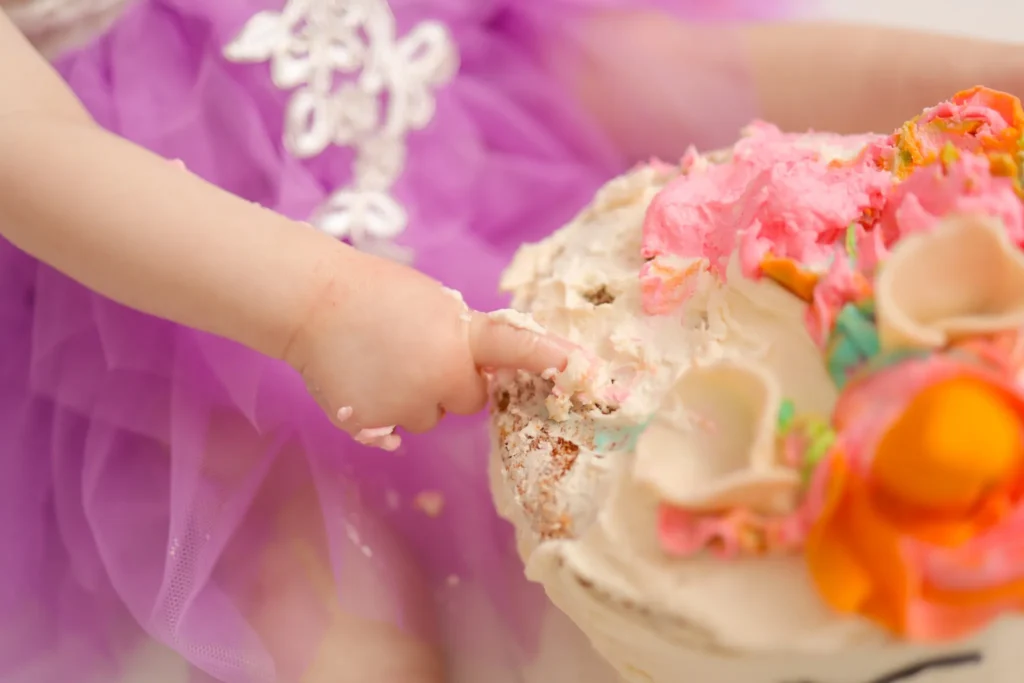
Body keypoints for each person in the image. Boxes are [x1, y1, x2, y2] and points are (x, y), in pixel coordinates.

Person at [2, 1, 1024, 682]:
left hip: (464, 66)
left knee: (678, 71)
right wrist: (318, 303)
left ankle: (984, 82)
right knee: (321, 589)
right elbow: (25, 144)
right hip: (191, 269)